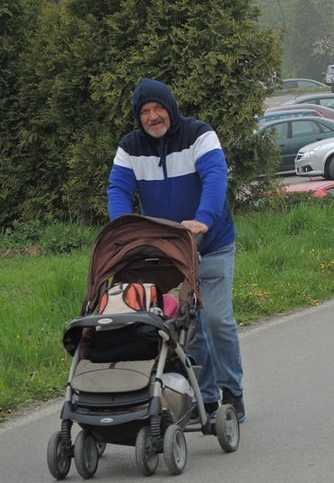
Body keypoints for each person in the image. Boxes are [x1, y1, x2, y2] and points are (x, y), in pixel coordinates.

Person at [107, 78, 246, 422]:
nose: (153, 116)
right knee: (185, 324)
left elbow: (215, 177)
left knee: (215, 319)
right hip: (166, 250)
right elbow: (118, 190)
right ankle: (207, 397)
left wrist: (203, 219)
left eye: (158, 108)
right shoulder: (130, 148)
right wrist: (125, 231)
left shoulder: (199, 135)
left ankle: (232, 392)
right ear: (138, 117)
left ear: (170, 108)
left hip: (209, 242)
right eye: (145, 112)